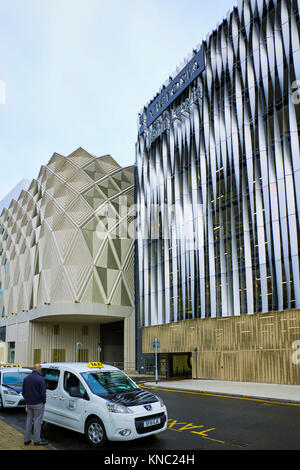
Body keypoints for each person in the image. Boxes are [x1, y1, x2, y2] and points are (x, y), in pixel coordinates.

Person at [22, 363, 48, 446]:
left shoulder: (26, 378)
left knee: (29, 421)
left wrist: (27, 400)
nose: (41, 370)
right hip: (38, 403)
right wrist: (43, 401)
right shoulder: (41, 379)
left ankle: (27, 440)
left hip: (29, 403)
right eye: (40, 368)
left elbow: (23, 392)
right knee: (37, 422)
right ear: (39, 369)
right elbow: (43, 393)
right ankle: (37, 441)